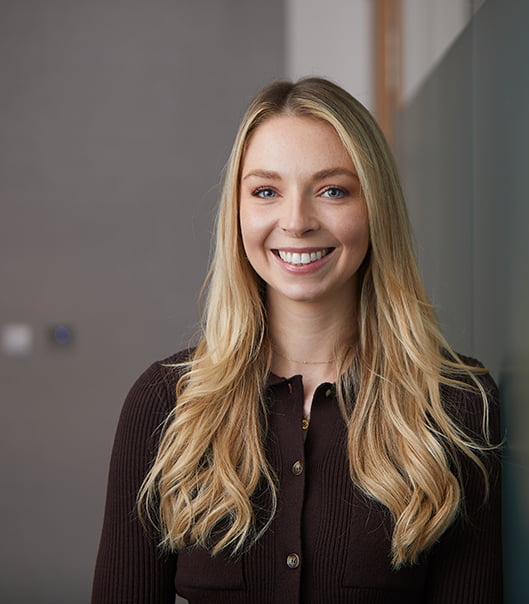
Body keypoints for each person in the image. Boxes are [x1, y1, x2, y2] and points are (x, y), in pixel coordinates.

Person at [92, 77, 502, 604]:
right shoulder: (165, 404)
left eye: (332, 190)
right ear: (237, 212)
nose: (296, 221)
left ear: (375, 207)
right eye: (266, 191)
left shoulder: (456, 404)